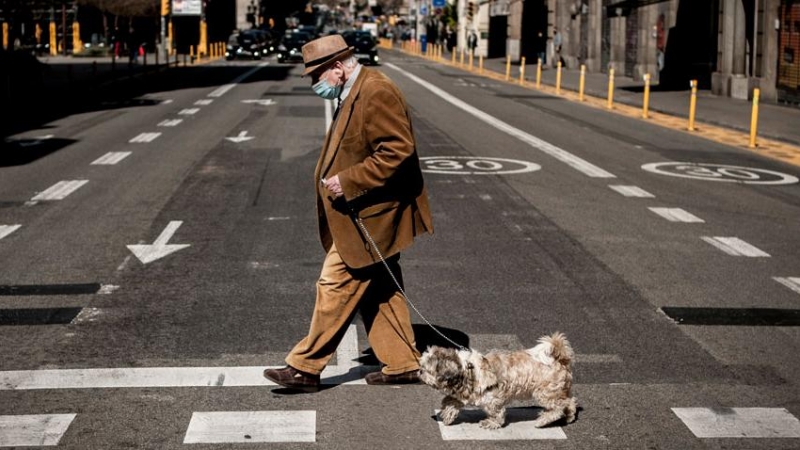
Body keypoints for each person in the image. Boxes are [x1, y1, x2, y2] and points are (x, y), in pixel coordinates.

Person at [263, 35, 434, 391]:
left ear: (338, 67)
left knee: (335, 284)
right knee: (381, 289)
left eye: (317, 75)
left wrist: (350, 180)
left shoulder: (376, 91)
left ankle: (305, 367)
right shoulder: (353, 89)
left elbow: (397, 150)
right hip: (362, 213)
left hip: (374, 214)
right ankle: (404, 363)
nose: (314, 83)